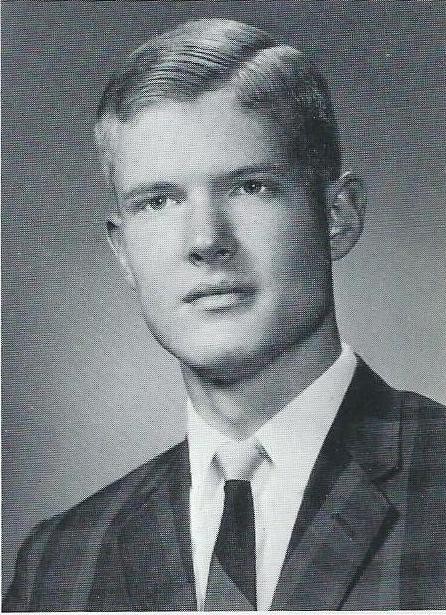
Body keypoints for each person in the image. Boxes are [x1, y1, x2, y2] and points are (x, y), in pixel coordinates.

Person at [4, 18, 445, 612]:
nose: (205, 240)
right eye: (158, 201)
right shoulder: (61, 565)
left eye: (249, 187)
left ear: (337, 215)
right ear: (124, 250)